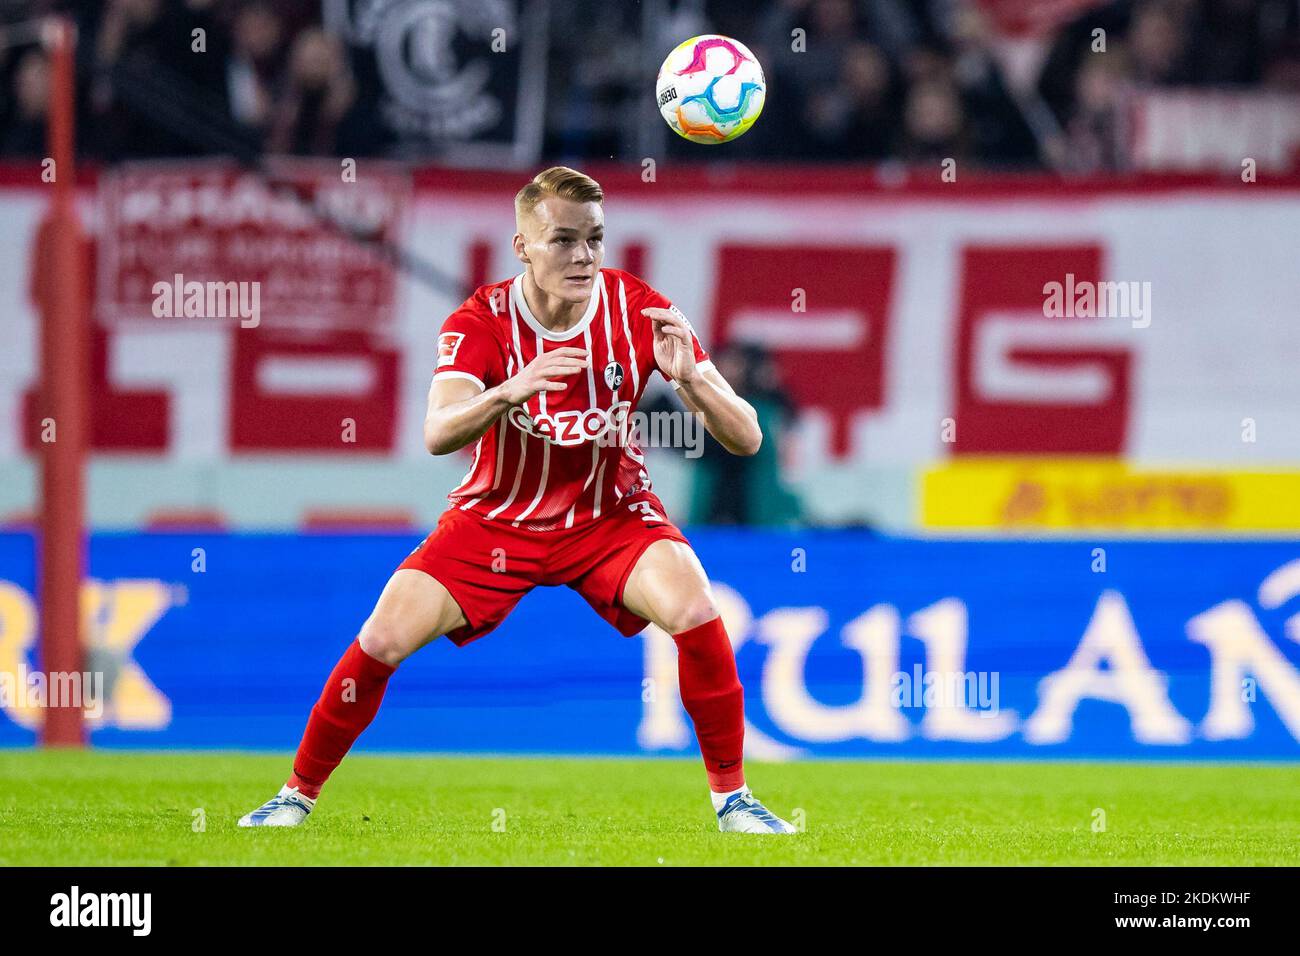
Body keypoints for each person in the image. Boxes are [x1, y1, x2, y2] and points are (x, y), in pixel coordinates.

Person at [238, 166, 796, 834]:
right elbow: (439, 431)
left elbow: (748, 436)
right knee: (383, 636)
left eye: (595, 239)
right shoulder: (482, 320)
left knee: (694, 607)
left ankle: (734, 803)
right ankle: (294, 797)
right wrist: (510, 389)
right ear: (523, 246)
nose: (583, 256)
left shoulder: (641, 311)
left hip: (609, 517)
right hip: (495, 518)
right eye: (562, 240)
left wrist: (693, 386)